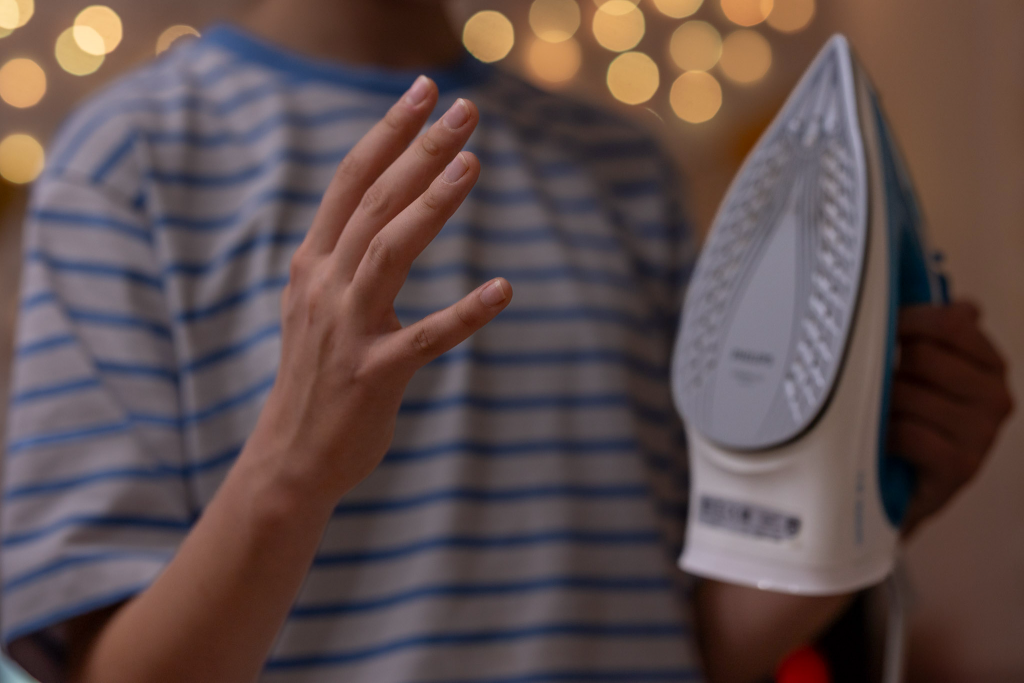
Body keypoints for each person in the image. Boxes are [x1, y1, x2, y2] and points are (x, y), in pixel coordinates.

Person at [1, 2, 1013, 682]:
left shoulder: (622, 169)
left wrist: (863, 498)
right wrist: (292, 465)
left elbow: (683, 639)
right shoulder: (128, 163)